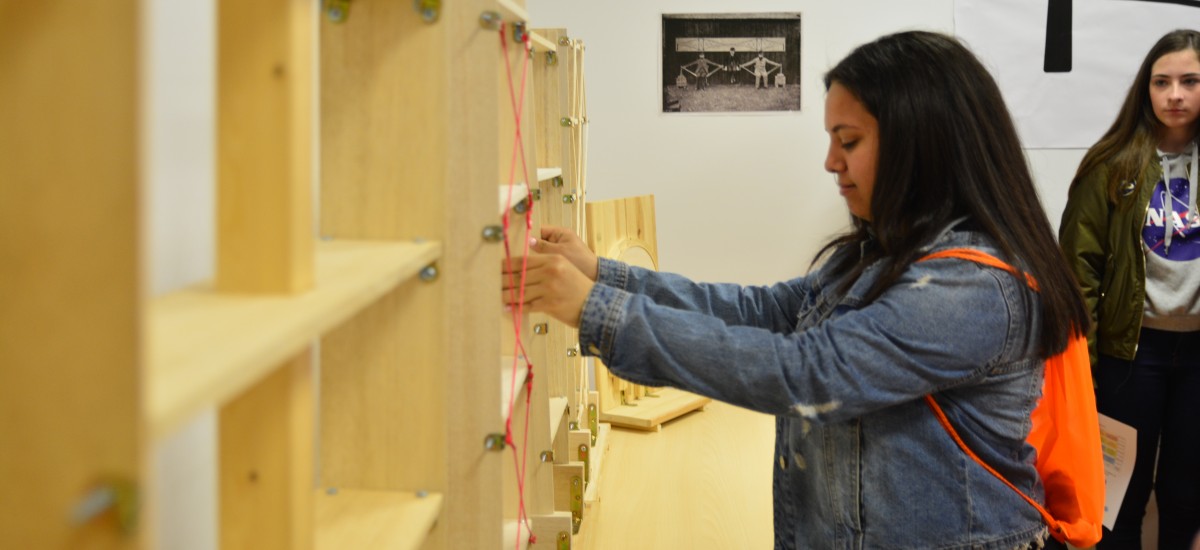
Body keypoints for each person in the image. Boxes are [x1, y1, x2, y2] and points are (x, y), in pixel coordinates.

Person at [505, 31, 1089, 549]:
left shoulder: (974, 287)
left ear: (923, 142)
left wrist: (597, 312)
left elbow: (806, 373)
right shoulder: (884, 255)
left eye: (850, 140)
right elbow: (769, 311)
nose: (831, 162)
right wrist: (604, 275)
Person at [1059, 28, 1200, 550]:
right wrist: (1087, 362)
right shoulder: (1111, 165)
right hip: (1130, 352)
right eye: (1162, 82)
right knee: (1119, 497)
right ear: (1146, 89)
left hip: (1199, 356)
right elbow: (1078, 272)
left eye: (1190, 81)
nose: (1175, 95)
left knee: (1187, 495)